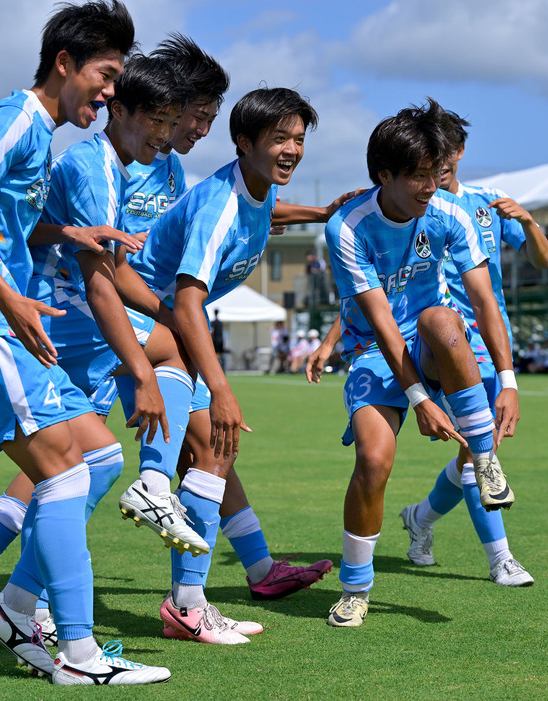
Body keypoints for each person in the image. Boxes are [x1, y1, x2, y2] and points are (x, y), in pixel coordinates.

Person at [0, 1, 169, 685]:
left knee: (98, 456)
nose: (112, 90)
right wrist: (11, 299)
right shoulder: (17, 119)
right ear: (64, 64)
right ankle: (79, 654)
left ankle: (14, 606)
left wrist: (70, 235)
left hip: (2, 322)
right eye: (106, 73)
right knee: (65, 470)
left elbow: (8, 223)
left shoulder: (42, 136)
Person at [119, 37, 336, 609]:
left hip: (154, 324)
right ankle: (185, 594)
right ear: (245, 143)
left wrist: (320, 211)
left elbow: (263, 209)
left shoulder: (254, 188)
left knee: (212, 449)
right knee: (77, 463)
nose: (291, 149)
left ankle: (250, 571)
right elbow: (188, 302)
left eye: (298, 139)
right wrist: (220, 387)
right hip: (131, 321)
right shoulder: (217, 201)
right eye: (279, 139)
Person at [314, 99, 519, 628]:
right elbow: (381, 323)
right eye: (419, 177)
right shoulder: (348, 227)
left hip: (436, 341)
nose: (431, 187)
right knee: (374, 461)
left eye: (435, 174)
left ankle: (483, 458)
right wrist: (419, 399)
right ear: (384, 175)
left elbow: (484, 302)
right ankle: (356, 589)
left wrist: (510, 381)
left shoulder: (450, 213)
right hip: (374, 353)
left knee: (443, 319)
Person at [387, 108, 548, 588]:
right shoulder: (422, 208)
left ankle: (420, 518)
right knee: (482, 450)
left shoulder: (487, 205)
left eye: (444, 156)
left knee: (474, 453)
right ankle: (500, 558)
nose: (435, 168)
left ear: (457, 153)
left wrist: (530, 220)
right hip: (444, 341)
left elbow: (543, 260)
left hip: (491, 337)